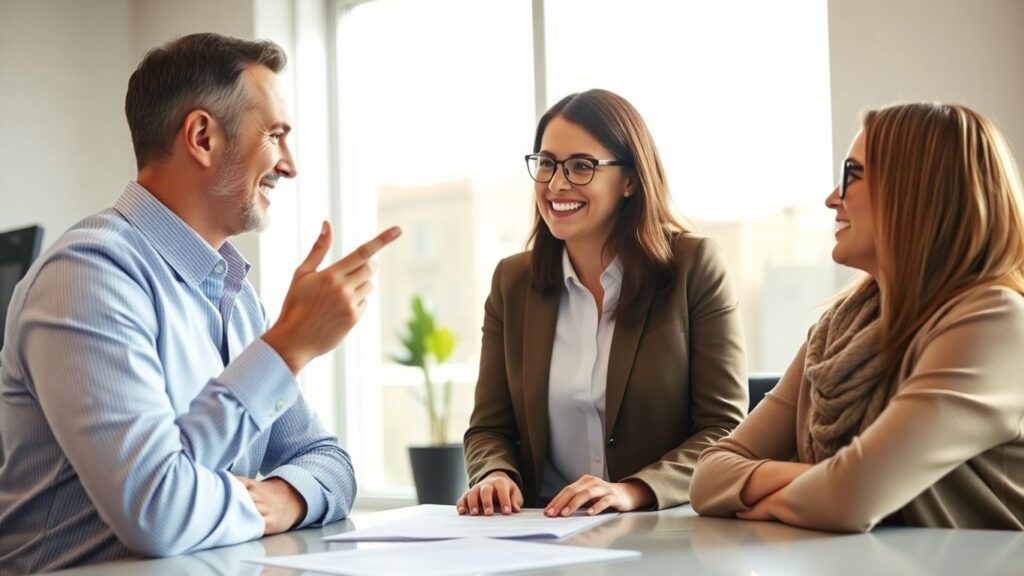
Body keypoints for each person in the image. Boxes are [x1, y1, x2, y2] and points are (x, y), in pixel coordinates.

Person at [0, 33, 401, 573]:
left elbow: (331, 465)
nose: (289, 165)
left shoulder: (238, 298)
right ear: (203, 137)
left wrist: (285, 497)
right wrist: (286, 349)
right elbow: (158, 512)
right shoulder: (87, 276)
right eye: (276, 135)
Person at [690, 102, 1024, 532]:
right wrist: (819, 482)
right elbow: (709, 475)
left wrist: (813, 487)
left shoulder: (995, 322)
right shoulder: (835, 331)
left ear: (917, 190)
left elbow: (849, 498)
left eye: (852, 175)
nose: (832, 198)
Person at [460, 89, 748, 517]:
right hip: (544, 532)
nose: (557, 184)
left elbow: (724, 429)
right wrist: (495, 474)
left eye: (581, 166)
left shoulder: (694, 267)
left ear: (630, 180)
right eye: (546, 164)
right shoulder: (512, 282)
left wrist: (634, 490)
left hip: (662, 528)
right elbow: (489, 428)